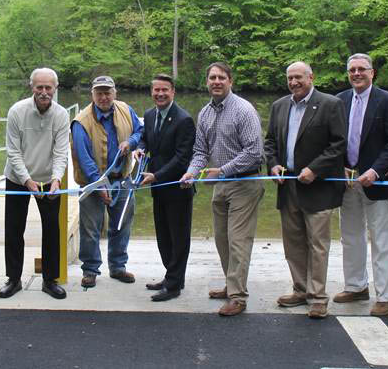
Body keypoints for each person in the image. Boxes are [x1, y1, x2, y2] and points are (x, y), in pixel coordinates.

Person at [180, 62, 265, 317]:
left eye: (221, 77)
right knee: (222, 240)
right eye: (212, 78)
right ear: (206, 82)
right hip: (221, 184)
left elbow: (254, 152)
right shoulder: (205, 113)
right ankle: (231, 285)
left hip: (245, 183)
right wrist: (192, 173)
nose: (216, 81)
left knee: (238, 242)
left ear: (230, 81)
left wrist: (223, 170)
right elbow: (200, 151)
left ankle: (238, 298)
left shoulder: (243, 110)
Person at [264, 61, 346, 319]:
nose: (294, 82)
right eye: (290, 78)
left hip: (317, 187)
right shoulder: (279, 106)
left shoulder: (330, 104)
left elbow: (338, 144)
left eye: (298, 77)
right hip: (287, 187)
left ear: (311, 76)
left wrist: (315, 169)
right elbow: (270, 142)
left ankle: (318, 297)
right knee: (294, 244)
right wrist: (274, 164)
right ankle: (300, 290)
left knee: (318, 245)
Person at [333, 54, 388, 317]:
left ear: (372, 73)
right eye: (352, 70)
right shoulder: (339, 100)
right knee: (350, 237)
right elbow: (335, 140)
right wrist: (339, 166)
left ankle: (385, 296)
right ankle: (355, 286)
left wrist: (375, 171)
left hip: (378, 181)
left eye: (362, 69)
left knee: (382, 239)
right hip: (347, 181)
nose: (356, 74)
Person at [0, 68, 69, 301]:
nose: (44, 92)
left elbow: (61, 152)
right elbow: (13, 151)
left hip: (49, 180)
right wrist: (26, 180)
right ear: (32, 87)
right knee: (14, 228)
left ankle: (50, 280)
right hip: (18, 178)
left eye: (48, 87)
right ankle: (13, 279)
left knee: (52, 229)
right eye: (39, 87)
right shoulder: (17, 112)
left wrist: (57, 178)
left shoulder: (61, 115)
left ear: (55, 88)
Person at [71, 75, 142, 288]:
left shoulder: (126, 110)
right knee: (91, 228)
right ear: (92, 94)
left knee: (121, 225)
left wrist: (130, 142)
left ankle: (118, 267)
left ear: (115, 93)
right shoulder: (81, 121)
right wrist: (99, 185)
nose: (103, 97)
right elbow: (84, 158)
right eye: (99, 92)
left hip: (122, 180)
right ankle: (90, 270)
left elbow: (140, 131)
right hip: (93, 183)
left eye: (107, 92)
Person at [136, 74, 196, 302]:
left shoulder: (184, 120)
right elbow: (145, 139)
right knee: (163, 236)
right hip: (157, 188)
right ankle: (172, 276)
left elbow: (182, 159)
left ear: (173, 92)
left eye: (165, 90)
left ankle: (173, 285)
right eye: (156, 90)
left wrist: (157, 176)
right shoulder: (150, 115)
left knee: (178, 237)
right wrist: (140, 149)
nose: (160, 94)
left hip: (176, 188)